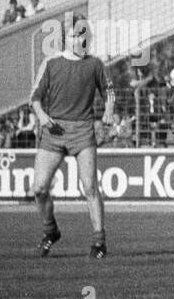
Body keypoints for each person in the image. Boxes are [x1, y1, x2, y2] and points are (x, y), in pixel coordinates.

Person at [29, 14, 115, 257]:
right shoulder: (51, 63)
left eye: (83, 35)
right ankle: (50, 230)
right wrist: (42, 115)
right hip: (53, 130)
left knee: (89, 186)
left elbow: (108, 90)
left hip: (82, 130)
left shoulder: (95, 64)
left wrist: (109, 110)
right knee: (39, 188)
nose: (80, 40)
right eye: (75, 35)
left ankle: (99, 242)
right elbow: (34, 97)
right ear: (66, 39)